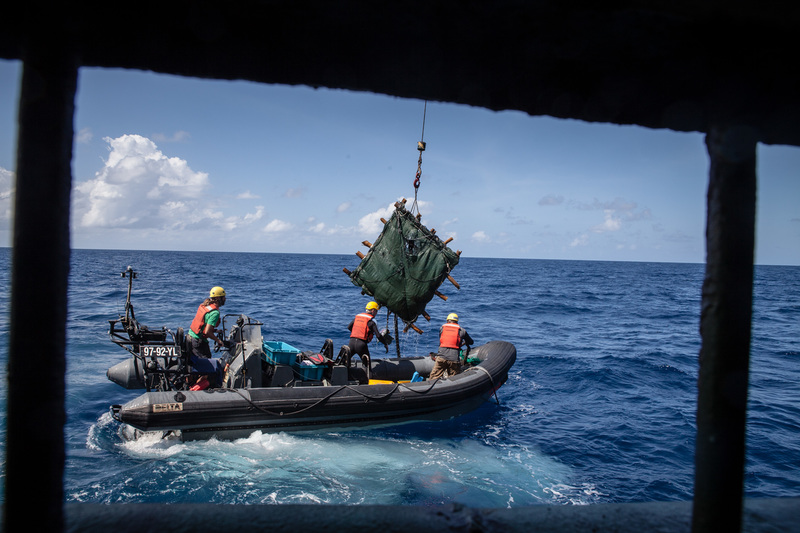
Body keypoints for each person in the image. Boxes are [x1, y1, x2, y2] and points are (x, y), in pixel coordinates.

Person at [187, 286, 227, 388]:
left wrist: (215, 331)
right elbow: (207, 331)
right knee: (208, 369)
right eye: (223, 297)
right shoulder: (215, 313)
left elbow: (203, 326)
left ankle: (192, 383)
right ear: (218, 298)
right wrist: (218, 340)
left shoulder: (206, 306)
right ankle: (196, 390)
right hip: (198, 342)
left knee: (199, 365)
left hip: (191, 338)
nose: (225, 299)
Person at [429, 312, 473, 380]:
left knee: (434, 377)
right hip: (454, 359)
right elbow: (471, 342)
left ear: (447, 321)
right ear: (457, 321)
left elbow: (441, 341)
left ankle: (431, 387)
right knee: (454, 378)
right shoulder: (462, 331)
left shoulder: (442, 328)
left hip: (441, 357)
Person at [346, 301, 387, 372]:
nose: (376, 313)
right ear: (373, 310)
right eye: (376, 311)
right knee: (367, 366)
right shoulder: (372, 321)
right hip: (361, 345)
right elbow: (378, 336)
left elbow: (349, 327)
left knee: (345, 361)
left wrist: (357, 333)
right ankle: (367, 380)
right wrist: (385, 344)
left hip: (351, 343)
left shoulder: (358, 317)